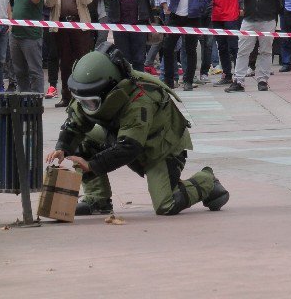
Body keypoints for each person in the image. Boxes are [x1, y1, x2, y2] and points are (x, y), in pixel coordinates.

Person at [45, 47, 230, 216]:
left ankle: (208, 181)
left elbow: (128, 148)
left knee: (166, 205)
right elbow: (76, 122)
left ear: (111, 90)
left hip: (161, 149)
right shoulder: (94, 92)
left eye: (91, 101)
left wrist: (92, 165)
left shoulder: (140, 100)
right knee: (82, 139)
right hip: (126, 139)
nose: (86, 106)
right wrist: (63, 147)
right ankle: (98, 199)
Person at [225, 0, 283, 93]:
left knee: (265, 51)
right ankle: (238, 80)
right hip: (249, 19)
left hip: (268, 19)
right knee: (243, 51)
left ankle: (262, 80)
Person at [162, 0, 213, 91]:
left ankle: (188, 80)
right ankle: (169, 80)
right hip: (176, 15)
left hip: (193, 16)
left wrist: (201, 5)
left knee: (190, 49)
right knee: (168, 47)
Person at [45, 0, 94, 107]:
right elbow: (48, 2)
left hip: (80, 25)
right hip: (61, 26)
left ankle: (85, 97)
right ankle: (66, 96)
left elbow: (88, 0)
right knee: (65, 63)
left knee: (83, 62)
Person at [206, 0, 240, 86]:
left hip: (231, 14)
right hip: (216, 15)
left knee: (234, 46)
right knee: (222, 47)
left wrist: (238, 4)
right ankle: (227, 74)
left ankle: (239, 75)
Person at [9, 0, 45, 93]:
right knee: (19, 70)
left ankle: (36, 99)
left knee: (34, 70)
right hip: (15, 35)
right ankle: (24, 97)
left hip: (31, 36)